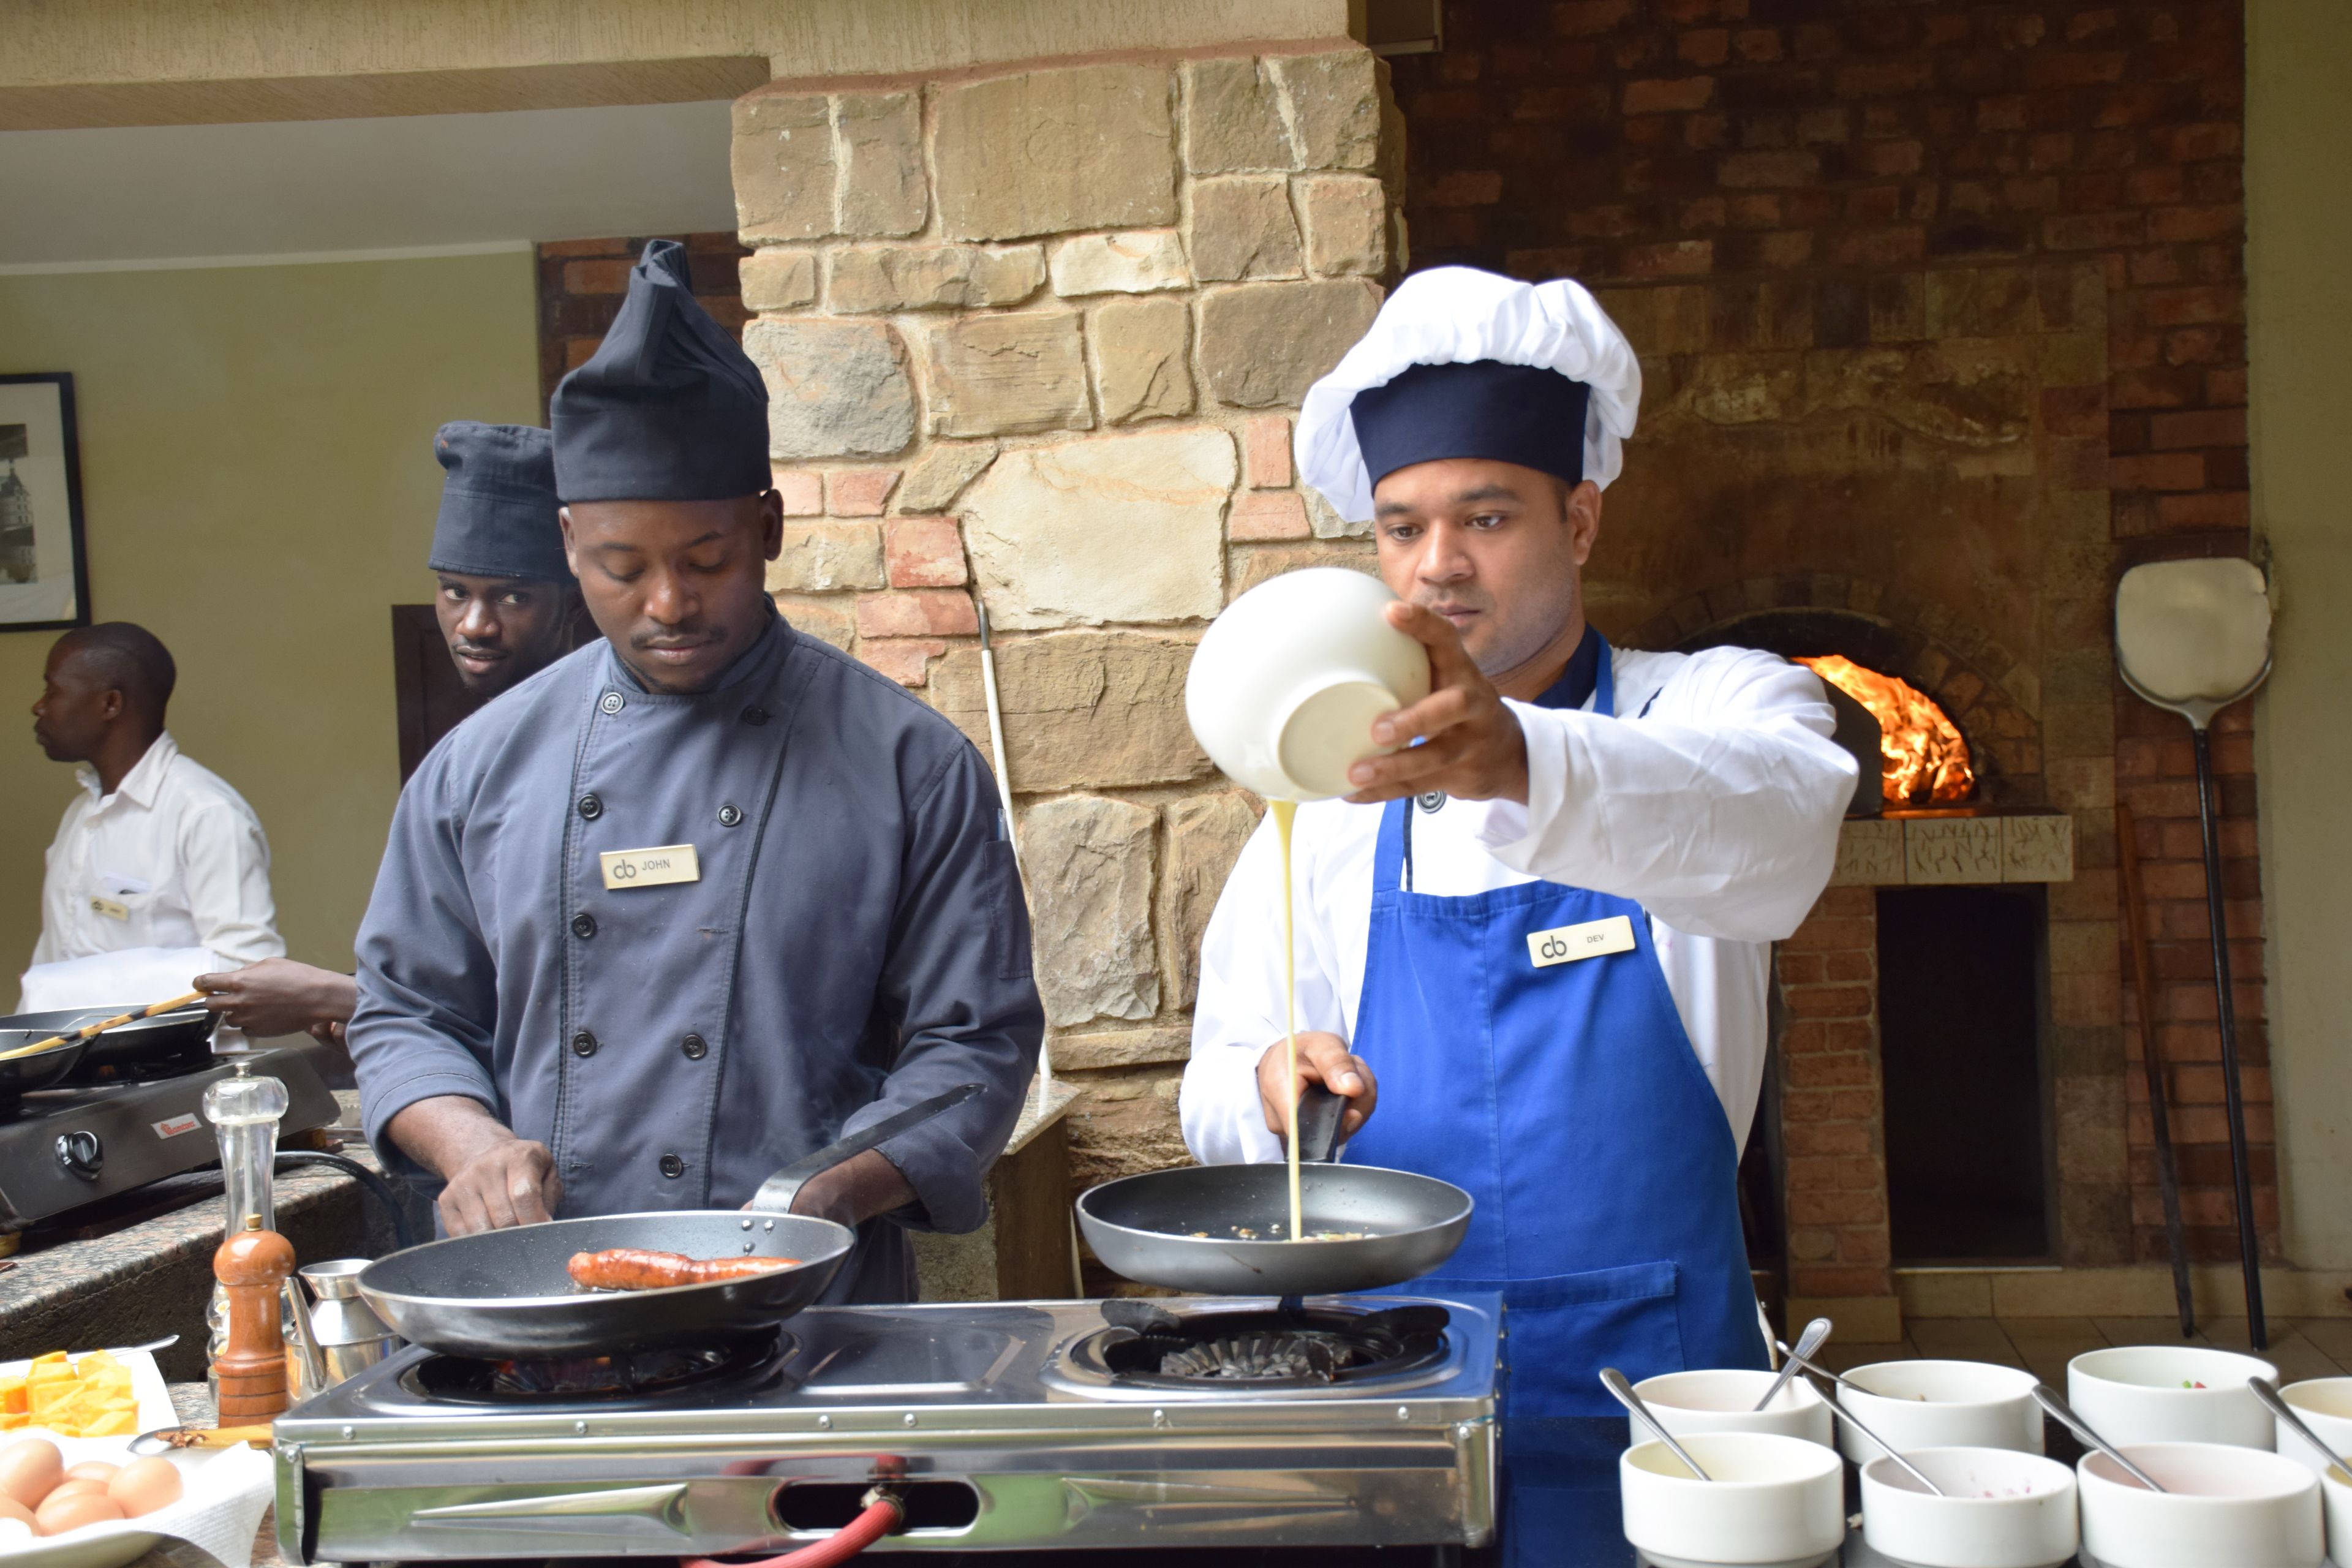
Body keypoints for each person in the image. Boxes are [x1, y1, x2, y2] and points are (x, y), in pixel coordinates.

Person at [1179, 268, 1856, 1456]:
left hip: (1677, 1432)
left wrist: (1521, 764)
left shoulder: (1704, 705)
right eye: (1403, 527)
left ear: (1580, 520)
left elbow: (1785, 832)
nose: (1437, 564)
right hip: (1394, 1411)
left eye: (1484, 518)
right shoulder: (1336, 802)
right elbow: (1221, 1083)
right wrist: (1270, 1085)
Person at [347, 239, 1042, 1299]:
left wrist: (826, 1196)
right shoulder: (477, 770)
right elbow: (406, 1011)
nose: (669, 602)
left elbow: (975, 1045)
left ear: (766, 528)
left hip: (816, 1310)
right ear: (572, 543)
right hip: (545, 1312)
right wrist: (470, 1147)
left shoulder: (911, 764)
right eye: (624, 569)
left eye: (706, 560)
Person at [192, 423, 583, 1043]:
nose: (474, 624)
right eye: (455, 591)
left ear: (572, 602)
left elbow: (576, 1006)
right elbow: (454, 974)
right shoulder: (461, 762)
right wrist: (380, 1018)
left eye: (511, 597)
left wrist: (341, 995)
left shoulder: (594, 743)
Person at [22, 622, 282, 1009]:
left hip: (178, 1066)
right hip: (71, 1064)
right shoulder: (82, 813)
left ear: (111, 704)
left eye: (53, 690)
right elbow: (54, 962)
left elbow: (246, 972)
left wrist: (66, 992)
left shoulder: (205, 813)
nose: (39, 706)